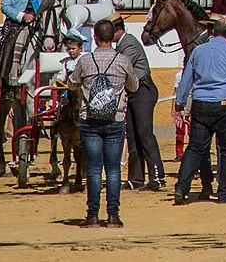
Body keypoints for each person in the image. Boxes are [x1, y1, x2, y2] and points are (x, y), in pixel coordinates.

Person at [69, 18, 139, 227]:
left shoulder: (85, 60)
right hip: (115, 118)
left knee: (93, 168)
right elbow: (134, 86)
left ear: (95, 37)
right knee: (114, 169)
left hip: (90, 119)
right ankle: (113, 215)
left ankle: (92, 215)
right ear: (113, 37)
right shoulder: (122, 60)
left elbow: (73, 83)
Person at [173, 16, 226, 204]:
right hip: (225, 105)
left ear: (211, 32)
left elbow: (186, 80)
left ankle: (181, 187)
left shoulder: (198, 52)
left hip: (201, 105)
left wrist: (180, 104)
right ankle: (224, 193)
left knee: (195, 148)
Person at [114, 20, 163, 192]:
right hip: (135, 91)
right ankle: (136, 178)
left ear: (118, 30)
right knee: (133, 135)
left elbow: (121, 67)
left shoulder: (128, 44)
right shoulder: (124, 43)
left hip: (143, 90)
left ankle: (157, 176)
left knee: (144, 133)